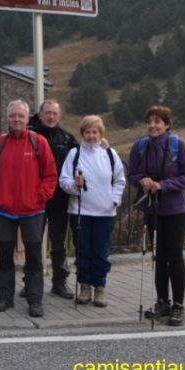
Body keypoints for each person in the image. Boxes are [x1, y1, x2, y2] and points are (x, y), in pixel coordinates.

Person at [0, 99, 57, 317]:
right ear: (8, 119)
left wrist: (39, 197)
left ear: (27, 119)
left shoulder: (39, 142)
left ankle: (35, 300)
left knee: (34, 257)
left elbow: (50, 175)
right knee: (5, 256)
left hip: (33, 211)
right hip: (4, 210)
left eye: (21, 116)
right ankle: (5, 297)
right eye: (13, 115)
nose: (17, 119)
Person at [128, 105, 185, 327]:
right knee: (158, 256)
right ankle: (162, 302)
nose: (153, 125)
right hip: (152, 209)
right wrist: (143, 180)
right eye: (149, 121)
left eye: (158, 121)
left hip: (176, 209)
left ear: (167, 125)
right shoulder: (140, 147)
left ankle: (178, 305)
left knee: (174, 255)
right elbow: (133, 174)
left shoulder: (179, 146)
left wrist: (163, 185)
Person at [58, 115, 126, 307]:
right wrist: (75, 185)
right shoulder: (74, 154)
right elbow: (64, 181)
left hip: (105, 213)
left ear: (101, 133)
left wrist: (114, 201)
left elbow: (120, 180)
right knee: (83, 251)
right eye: (87, 132)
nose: (91, 136)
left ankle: (100, 287)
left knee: (101, 253)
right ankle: (84, 285)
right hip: (81, 211)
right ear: (82, 134)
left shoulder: (110, 154)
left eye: (95, 132)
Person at [28, 99, 79, 300]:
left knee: (58, 243)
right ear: (39, 115)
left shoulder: (67, 138)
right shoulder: (30, 136)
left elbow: (82, 156)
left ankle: (59, 282)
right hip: (34, 199)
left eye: (54, 114)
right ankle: (31, 282)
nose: (50, 117)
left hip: (59, 199)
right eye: (47, 113)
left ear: (59, 117)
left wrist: (102, 144)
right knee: (33, 243)